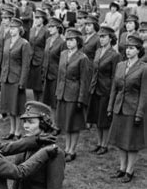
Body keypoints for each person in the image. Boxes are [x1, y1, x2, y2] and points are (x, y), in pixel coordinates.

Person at [108, 35, 147, 183]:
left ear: (138, 50)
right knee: (120, 140)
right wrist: (110, 106)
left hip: (133, 109)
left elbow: (144, 93)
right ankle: (122, 168)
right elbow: (114, 89)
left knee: (131, 142)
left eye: (131, 48)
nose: (128, 51)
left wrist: (140, 113)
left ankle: (130, 170)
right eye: (127, 48)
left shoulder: (144, 68)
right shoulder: (120, 65)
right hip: (119, 107)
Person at [55, 28, 91, 162]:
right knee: (66, 123)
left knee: (74, 124)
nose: (69, 43)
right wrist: (58, 91)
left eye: (72, 40)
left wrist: (81, 99)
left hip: (74, 94)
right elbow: (60, 75)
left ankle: (72, 150)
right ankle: (66, 148)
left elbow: (84, 80)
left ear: (78, 42)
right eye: (67, 40)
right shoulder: (63, 54)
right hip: (63, 93)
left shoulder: (83, 58)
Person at [86, 26, 121, 155]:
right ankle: (99, 143)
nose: (101, 39)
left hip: (106, 90)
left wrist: (113, 93)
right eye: (100, 37)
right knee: (96, 118)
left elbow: (115, 77)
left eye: (104, 37)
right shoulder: (98, 51)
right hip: (95, 88)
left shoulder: (115, 55)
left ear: (110, 38)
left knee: (104, 120)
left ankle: (105, 145)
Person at [0, 18, 32, 140]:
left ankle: (18, 131)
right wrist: (2, 77)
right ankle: (12, 130)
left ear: (19, 29)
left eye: (13, 28)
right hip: (6, 78)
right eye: (10, 28)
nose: (10, 30)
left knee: (17, 107)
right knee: (9, 106)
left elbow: (26, 65)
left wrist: (22, 82)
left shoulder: (24, 43)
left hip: (16, 78)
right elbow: (4, 61)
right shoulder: (7, 41)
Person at [41, 17, 65, 131]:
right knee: (49, 101)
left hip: (56, 75)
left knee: (55, 102)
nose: (49, 29)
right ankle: (51, 123)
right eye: (49, 27)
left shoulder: (62, 42)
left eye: (52, 27)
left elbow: (63, 61)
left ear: (58, 28)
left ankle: (57, 125)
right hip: (47, 74)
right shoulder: (48, 40)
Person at [27, 9, 49, 102]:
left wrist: (45, 62)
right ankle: (36, 101)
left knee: (40, 85)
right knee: (33, 84)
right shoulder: (32, 30)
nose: (36, 20)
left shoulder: (46, 31)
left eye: (39, 18)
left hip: (41, 60)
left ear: (43, 19)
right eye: (36, 18)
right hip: (32, 59)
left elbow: (47, 48)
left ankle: (40, 103)